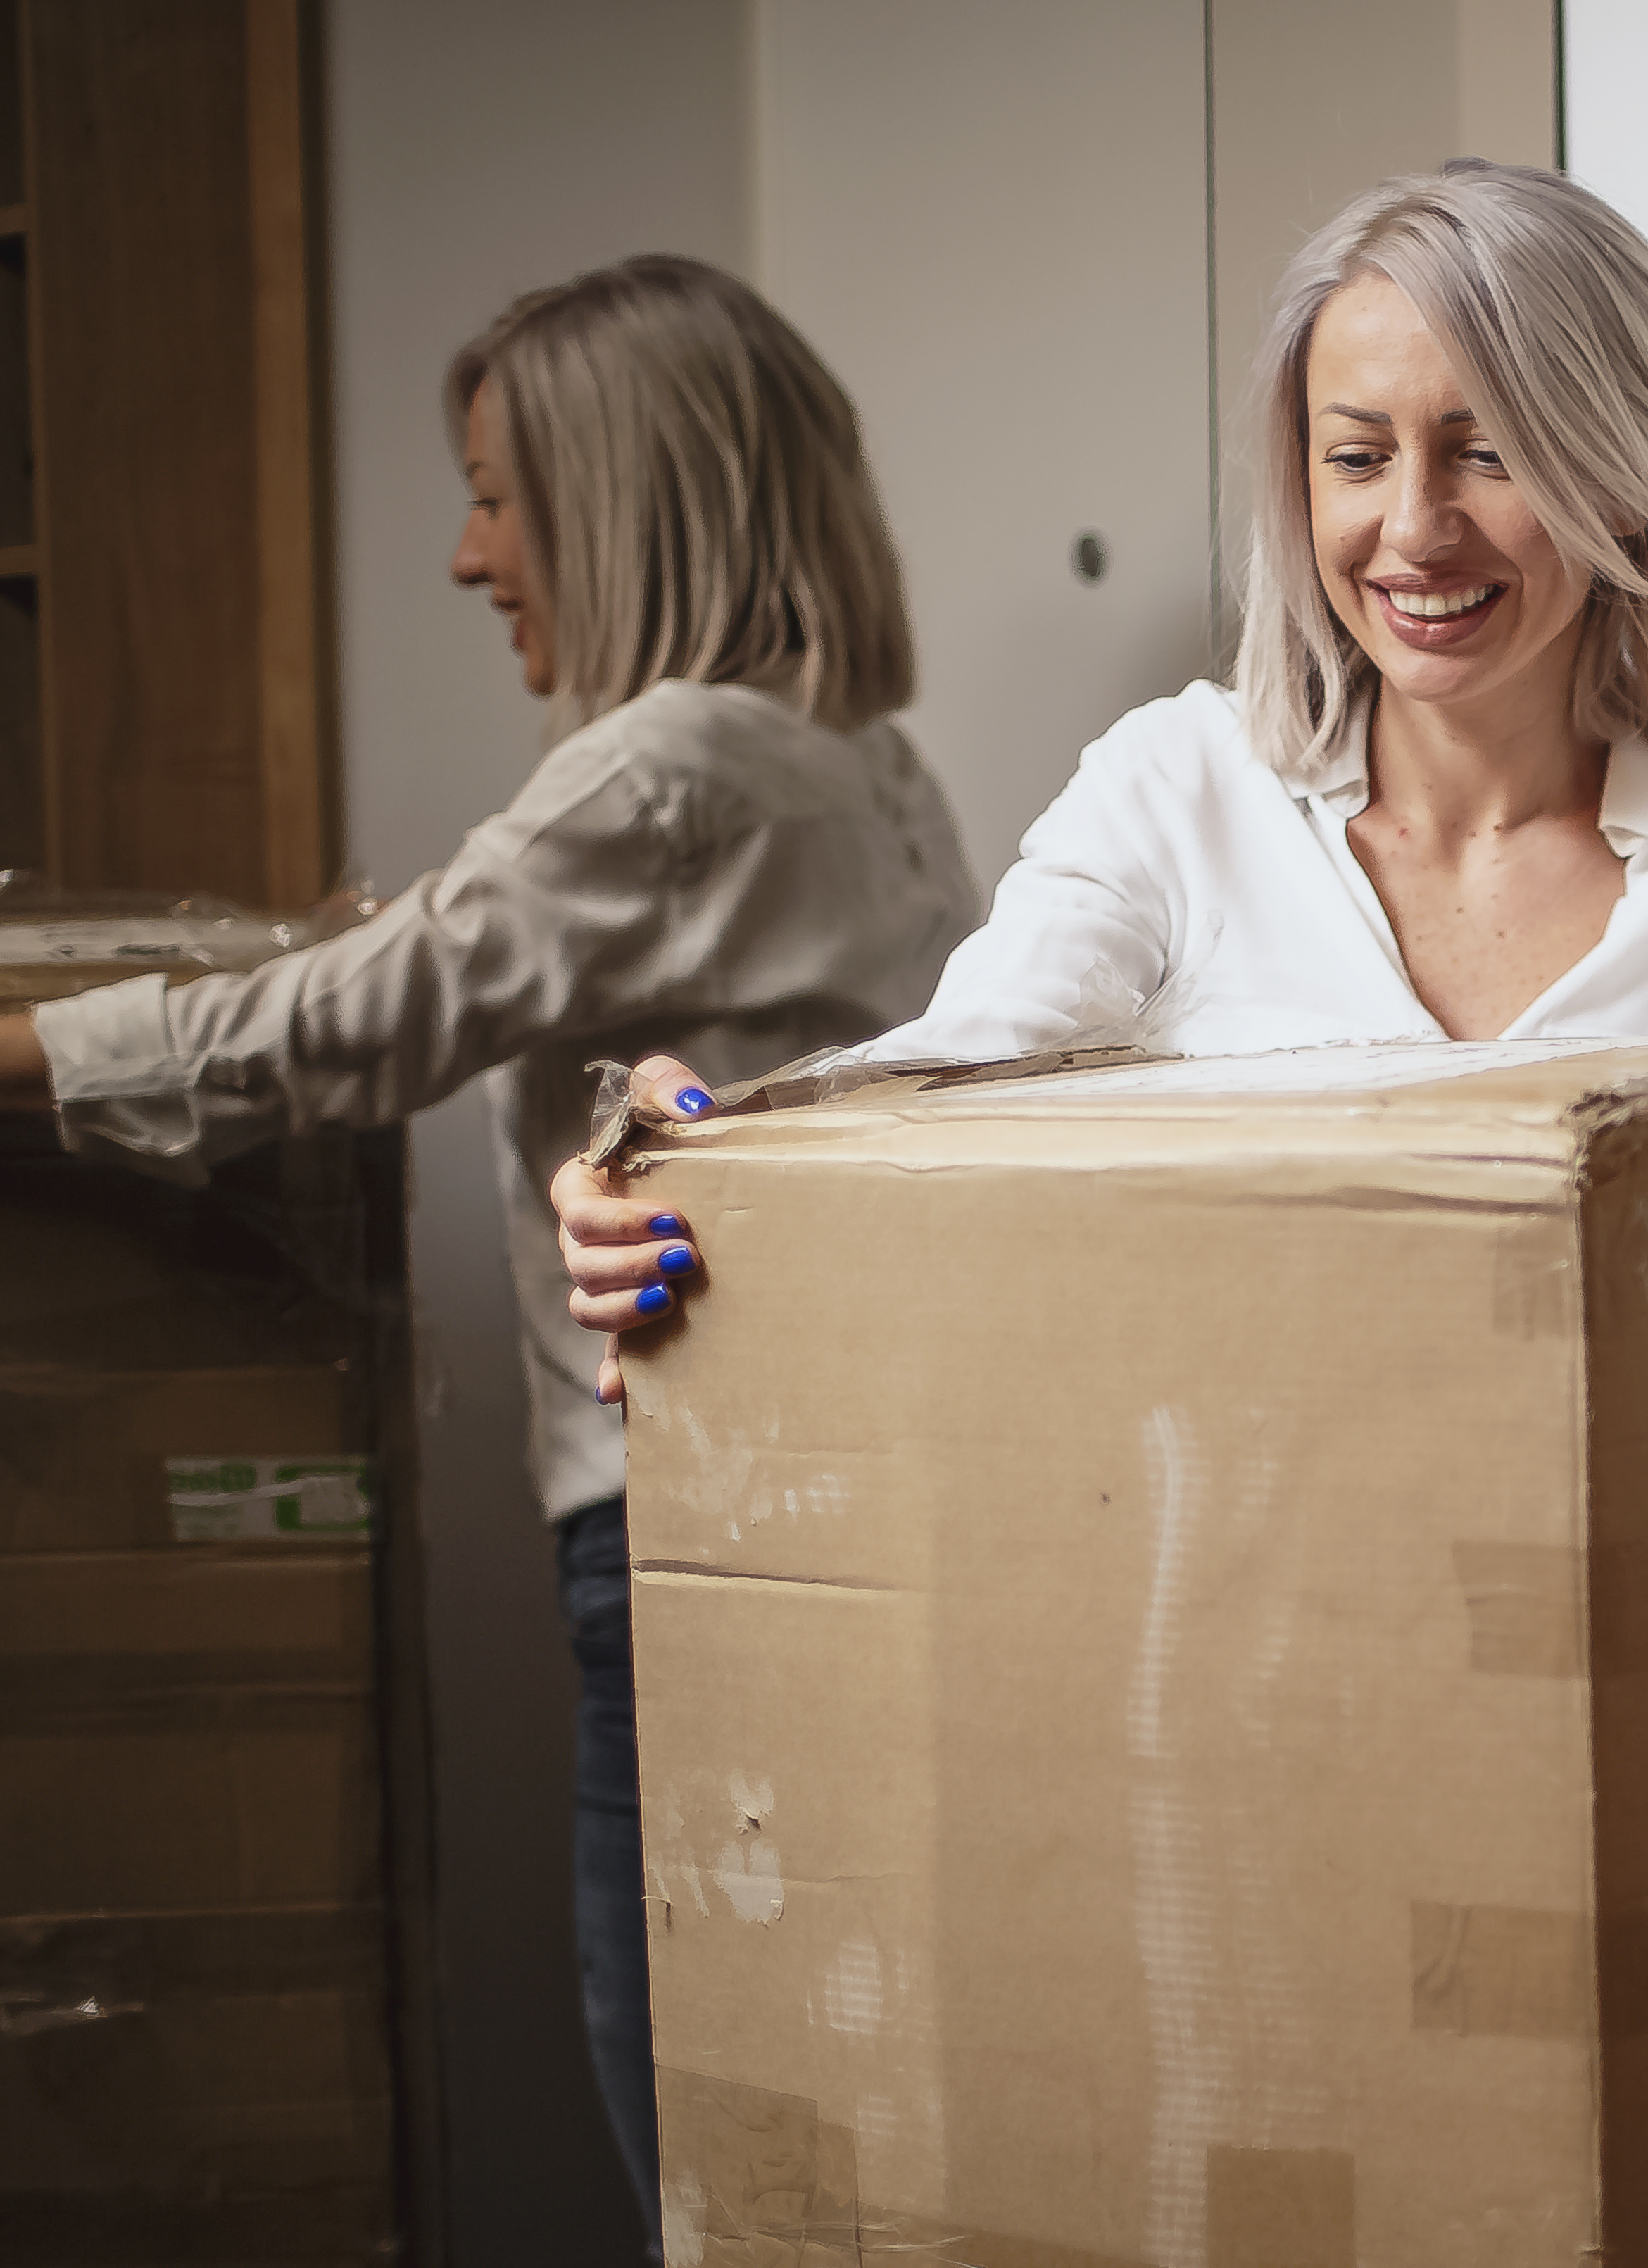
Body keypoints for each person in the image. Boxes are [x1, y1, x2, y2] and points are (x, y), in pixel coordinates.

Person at [555, 158, 1648, 1394]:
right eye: (1356, 455)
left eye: (1486, 450)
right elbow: (935, 1109)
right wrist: (695, 1179)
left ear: (1621, 467)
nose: (1410, 531)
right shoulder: (1176, 793)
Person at [0, 256, 977, 2253]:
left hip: (677, 1527)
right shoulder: (869, 766)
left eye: (496, 491)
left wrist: (23, 1048)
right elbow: (484, 948)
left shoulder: (666, 767)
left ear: (626, 495)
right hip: (855, 1504)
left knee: (697, 2131)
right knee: (833, 2113)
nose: (466, 555)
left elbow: (357, 1021)